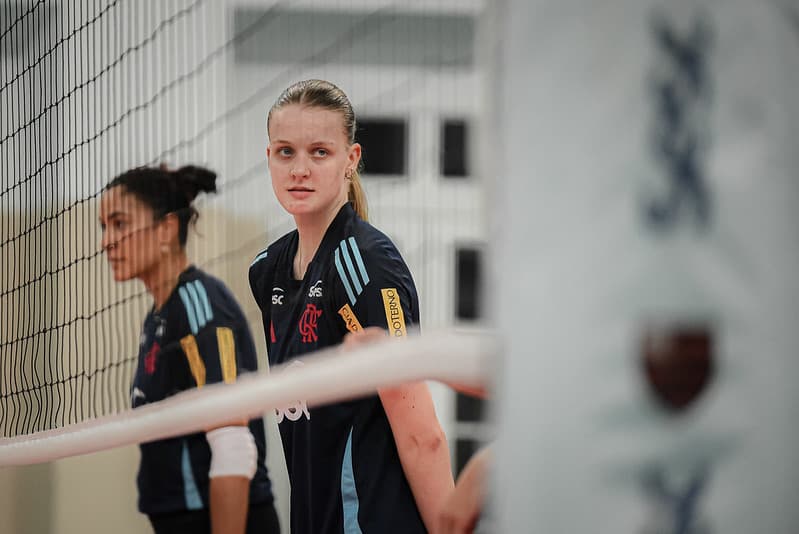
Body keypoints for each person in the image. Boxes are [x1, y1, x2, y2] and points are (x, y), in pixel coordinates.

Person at [249, 79, 454, 533]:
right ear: (268, 159)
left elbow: (423, 437)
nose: (299, 169)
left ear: (351, 160)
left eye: (319, 152)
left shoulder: (367, 264)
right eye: (286, 152)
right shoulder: (267, 272)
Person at [98, 165, 279, 534]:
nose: (106, 241)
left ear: (165, 229)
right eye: (104, 227)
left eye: (119, 224)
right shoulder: (159, 316)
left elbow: (234, 446)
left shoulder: (201, 305)